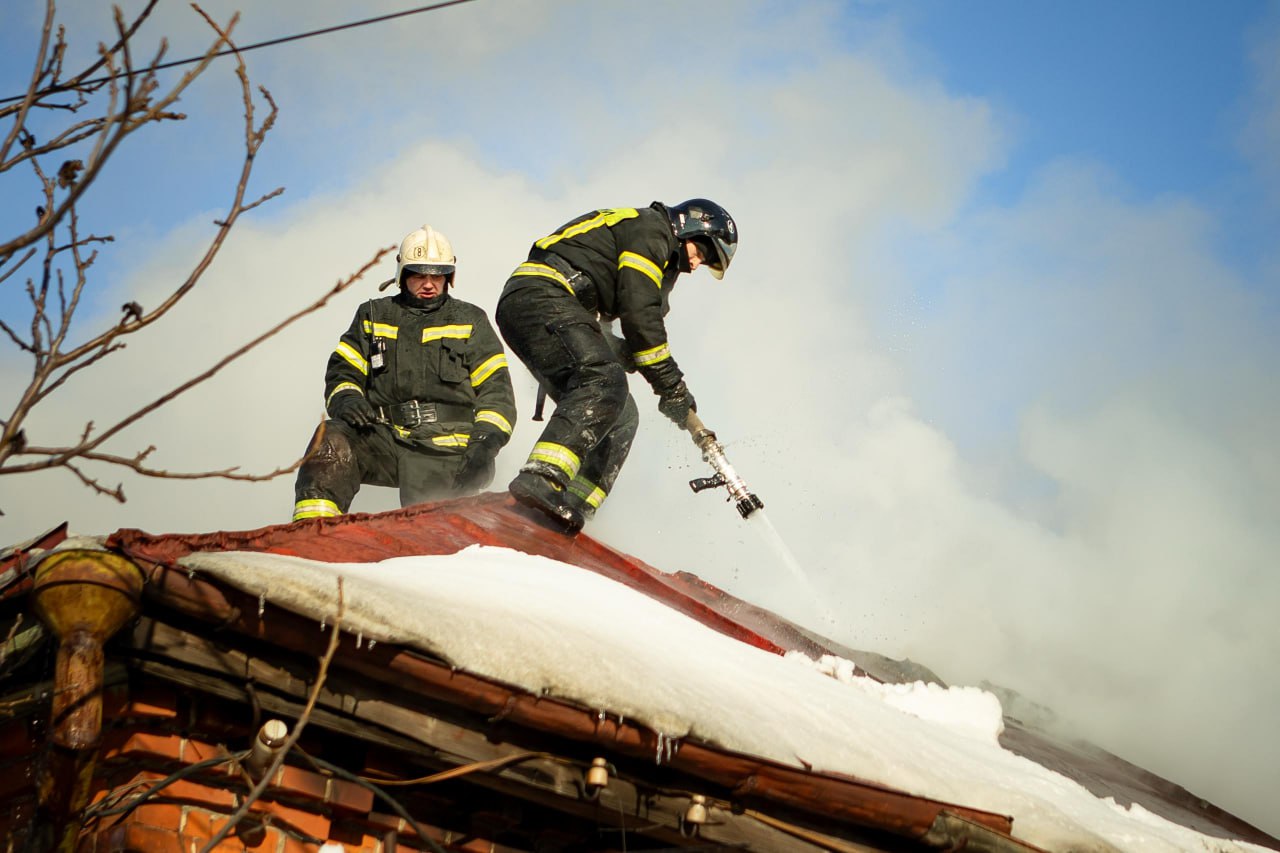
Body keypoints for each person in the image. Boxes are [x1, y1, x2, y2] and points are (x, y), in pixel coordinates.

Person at [495, 199, 737, 534]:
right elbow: (641, 320)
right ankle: (541, 479)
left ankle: (574, 504)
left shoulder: (651, 241)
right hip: (541, 295)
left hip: (551, 307)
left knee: (623, 414)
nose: (697, 266)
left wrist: (628, 354)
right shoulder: (653, 230)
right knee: (603, 381)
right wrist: (672, 387)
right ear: (692, 227)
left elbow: (621, 330)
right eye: (704, 254)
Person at [292, 225, 516, 520]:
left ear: (449, 276)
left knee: (428, 528)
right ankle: (311, 531)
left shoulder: (470, 320)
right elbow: (343, 370)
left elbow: (497, 392)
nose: (428, 284)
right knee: (332, 438)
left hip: (447, 448)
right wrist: (346, 400)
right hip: (385, 437)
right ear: (402, 275)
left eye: (437, 275)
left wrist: (485, 442)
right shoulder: (373, 316)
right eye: (419, 274)